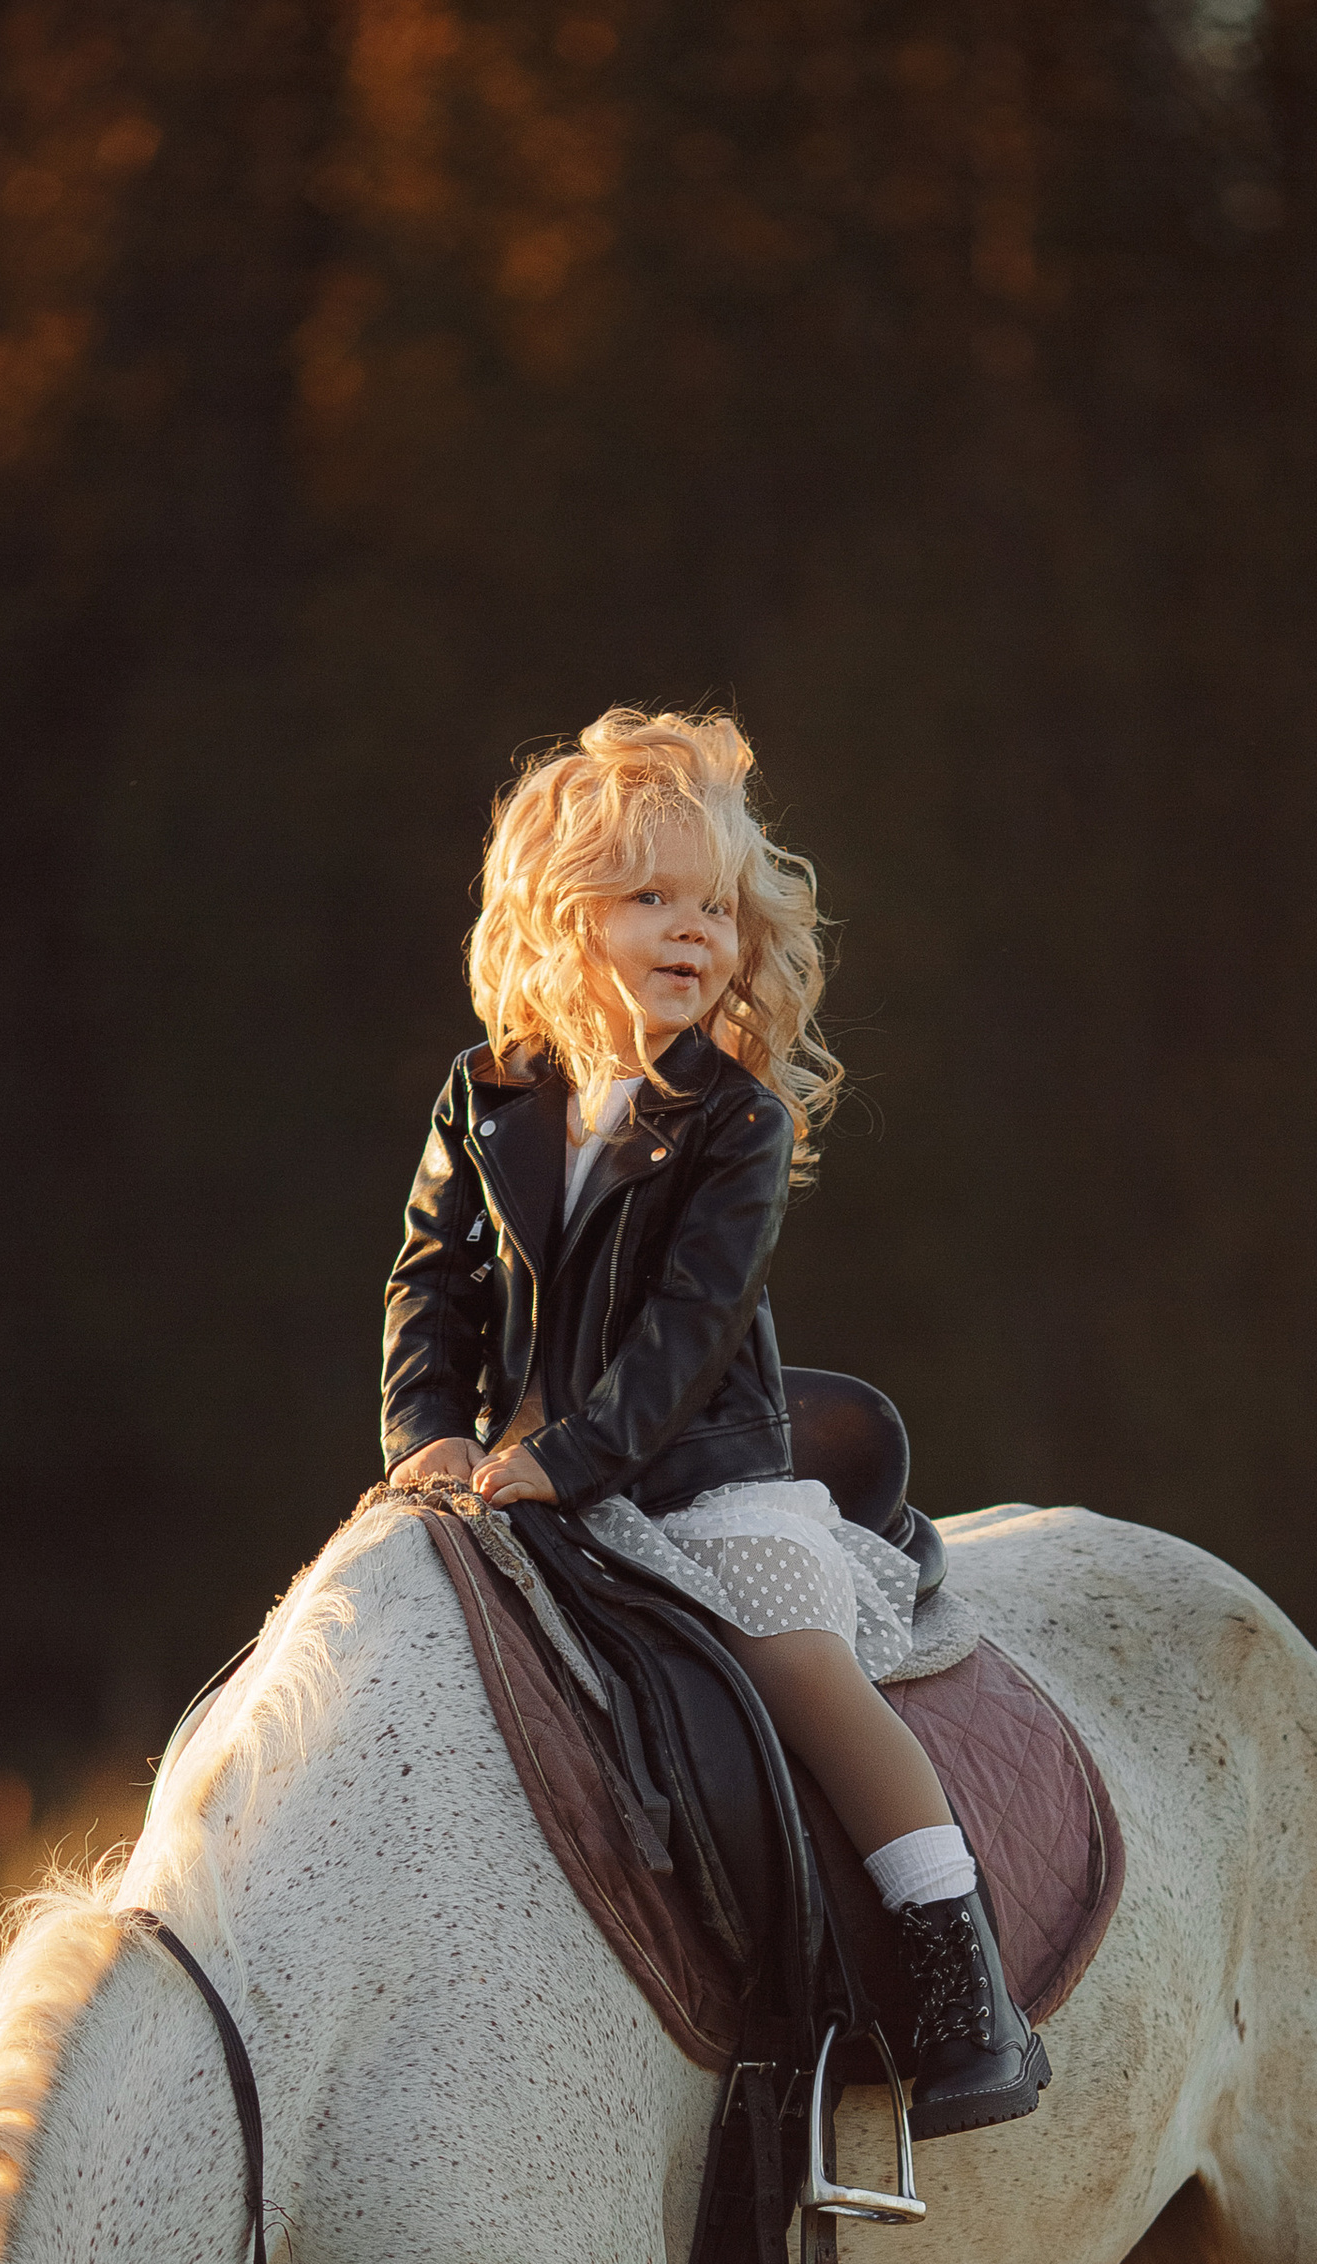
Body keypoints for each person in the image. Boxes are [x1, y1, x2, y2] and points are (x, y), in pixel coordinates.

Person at [381, 705, 1047, 2139]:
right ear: (557, 924)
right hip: (505, 1478)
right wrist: (426, 1436)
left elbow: (685, 1336)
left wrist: (560, 1463)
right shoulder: (484, 1097)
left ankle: (954, 1970)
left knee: (799, 1666)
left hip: (696, 1482)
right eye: (647, 900)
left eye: (714, 908)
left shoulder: (732, 1122)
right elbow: (429, 1284)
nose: (692, 932)